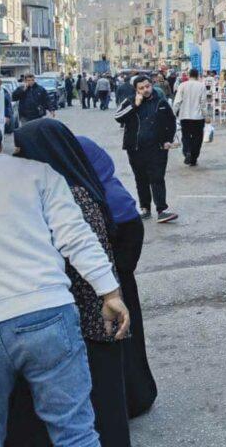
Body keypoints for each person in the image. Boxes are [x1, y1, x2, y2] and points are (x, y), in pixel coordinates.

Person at [0, 114, 129, 447]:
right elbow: (76, 237)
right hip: (47, 312)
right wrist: (110, 292)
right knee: (75, 431)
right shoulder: (39, 174)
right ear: (2, 144)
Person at [74, 135, 157, 418]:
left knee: (118, 332)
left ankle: (130, 397)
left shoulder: (95, 196)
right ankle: (136, 393)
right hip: (120, 267)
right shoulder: (102, 182)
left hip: (112, 271)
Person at [115, 75, 178, 223]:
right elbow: (118, 117)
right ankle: (145, 208)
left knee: (157, 178)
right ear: (136, 90)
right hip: (135, 148)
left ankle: (162, 210)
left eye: (147, 86)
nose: (146, 90)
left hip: (157, 148)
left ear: (152, 85)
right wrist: (134, 105)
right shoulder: (129, 101)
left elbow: (171, 121)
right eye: (141, 88)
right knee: (141, 179)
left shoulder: (161, 101)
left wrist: (168, 140)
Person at [173, 68, 208, 167]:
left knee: (186, 136)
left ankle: (187, 151)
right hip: (198, 117)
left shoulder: (182, 85)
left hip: (185, 116)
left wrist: (173, 113)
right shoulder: (201, 86)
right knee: (197, 138)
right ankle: (194, 158)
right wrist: (206, 116)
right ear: (197, 76)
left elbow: (177, 101)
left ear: (189, 75)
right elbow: (203, 103)